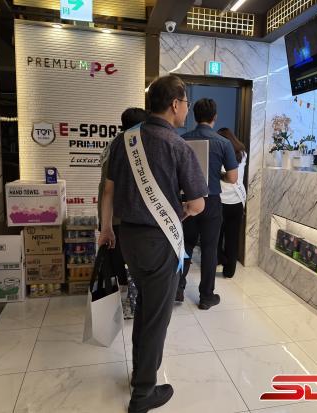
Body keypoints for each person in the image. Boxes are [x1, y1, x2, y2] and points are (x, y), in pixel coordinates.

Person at [99, 75, 208, 413]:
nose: (186, 109)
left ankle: (139, 376)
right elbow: (198, 204)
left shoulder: (124, 141)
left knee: (145, 307)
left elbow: (108, 190)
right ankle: (144, 393)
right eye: (185, 103)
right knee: (156, 317)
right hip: (159, 241)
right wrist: (180, 213)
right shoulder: (177, 145)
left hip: (129, 238)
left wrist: (106, 229)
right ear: (174, 104)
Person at [177, 98, 238, 310]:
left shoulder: (181, 140)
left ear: (194, 116)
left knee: (185, 244)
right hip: (211, 201)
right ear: (215, 117)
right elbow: (232, 177)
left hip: (187, 199)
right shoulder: (223, 143)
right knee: (210, 248)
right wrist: (218, 175)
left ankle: (177, 289)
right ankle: (206, 296)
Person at [97, 107, 147, 285]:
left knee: (115, 261)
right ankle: (123, 293)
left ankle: (120, 290)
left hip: (108, 210)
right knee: (122, 263)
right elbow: (112, 187)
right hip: (117, 213)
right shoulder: (127, 146)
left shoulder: (114, 143)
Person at [216, 128, 247, 278]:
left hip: (220, 202)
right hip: (237, 202)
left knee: (216, 236)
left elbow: (227, 176)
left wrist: (219, 174)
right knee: (232, 238)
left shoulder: (219, 154)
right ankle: (229, 271)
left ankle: (219, 259)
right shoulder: (243, 154)